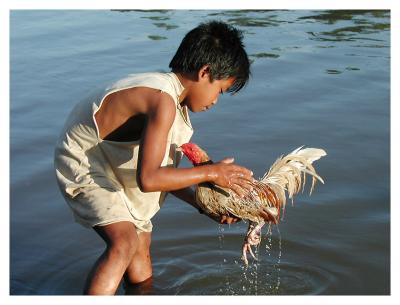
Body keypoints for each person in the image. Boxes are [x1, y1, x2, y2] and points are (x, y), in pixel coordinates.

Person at [54, 20, 271, 295]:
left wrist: (203, 205)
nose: (216, 100)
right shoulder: (161, 99)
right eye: (220, 90)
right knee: (124, 242)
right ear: (205, 72)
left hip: (117, 159)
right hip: (85, 159)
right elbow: (149, 178)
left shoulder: (176, 107)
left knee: (140, 249)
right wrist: (212, 173)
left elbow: (165, 175)